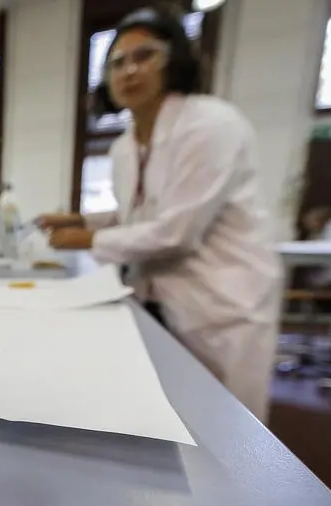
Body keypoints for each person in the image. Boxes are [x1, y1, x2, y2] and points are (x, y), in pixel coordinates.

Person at [36, 5, 282, 421]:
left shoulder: (210, 125)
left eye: (144, 56)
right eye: (117, 62)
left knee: (231, 427)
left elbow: (176, 232)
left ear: (174, 60)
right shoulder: (124, 146)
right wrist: (80, 220)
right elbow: (138, 215)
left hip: (223, 304)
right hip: (161, 302)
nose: (129, 71)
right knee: (173, 417)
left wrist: (87, 238)